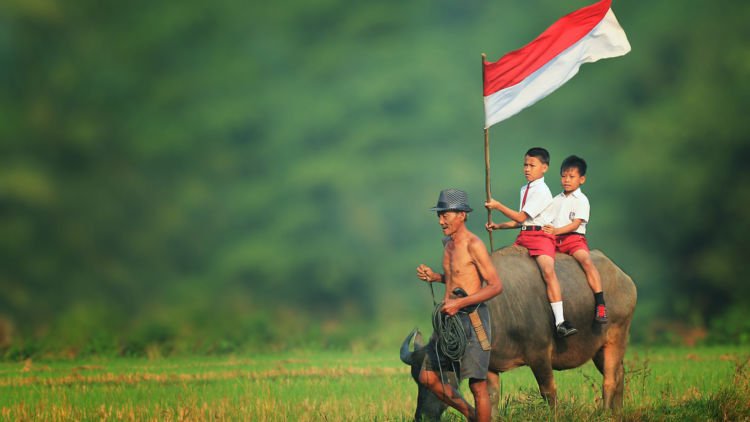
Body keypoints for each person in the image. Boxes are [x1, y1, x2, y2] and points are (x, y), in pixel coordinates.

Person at [415, 188, 503, 422]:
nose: (441, 220)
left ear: (462, 214)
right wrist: (435, 276)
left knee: (477, 386)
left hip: (472, 319)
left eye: (446, 214)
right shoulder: (448, 244)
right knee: (427, 376)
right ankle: (471, 415)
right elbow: (457, 278)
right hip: (448, 322)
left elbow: (495, 285)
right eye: (439, 214)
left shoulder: (474, 244)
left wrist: (460, 303)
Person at [484, 147, 578, 338]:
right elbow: (522, 221)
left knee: (548, 271)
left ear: (544, 168)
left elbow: (520, 216)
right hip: (524, 236)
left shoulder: (542, 191)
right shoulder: (524, 189)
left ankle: (560, 321)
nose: (527, 169)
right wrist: (498, 226)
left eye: (532, 165)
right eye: (525, 165)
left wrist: (498, 205)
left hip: (540, 238)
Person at [543, 155, 607, 323]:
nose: (566, 180)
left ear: (582, 179)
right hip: (554, 241)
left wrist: (555, 231)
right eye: (563, 176)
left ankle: (600, 304)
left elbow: (575, 224)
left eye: (571, 177)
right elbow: (545, 220)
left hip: (573, 239)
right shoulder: (555, 200)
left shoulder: (582, 200)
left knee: (586, 261)